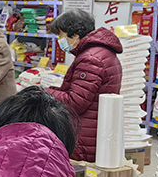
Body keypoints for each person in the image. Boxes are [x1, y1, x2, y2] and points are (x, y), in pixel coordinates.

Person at [46, 9, 123, 162]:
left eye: (60, 35)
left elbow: (76, 102)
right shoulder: (102, 52)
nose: (59, 40)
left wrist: (46, 92)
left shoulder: (90, 59)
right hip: (95, 130)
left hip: (84, 135)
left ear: (75, 35)